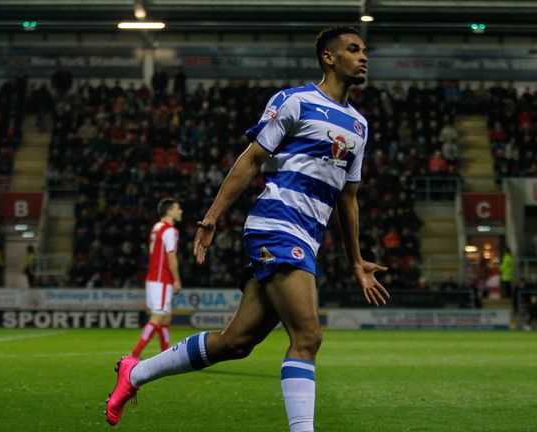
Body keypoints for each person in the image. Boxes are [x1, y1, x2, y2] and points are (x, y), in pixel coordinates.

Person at [106, 26, 390, 432]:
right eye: (353, 49)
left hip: (306, 237)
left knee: (236, 343)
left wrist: (357, 261)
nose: (363, 56)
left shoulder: (359, 126)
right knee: (308, 337)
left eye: (364, 50)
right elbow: (252, 158)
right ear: (329, 58)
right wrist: (211, 216)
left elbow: (348, 199)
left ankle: (134, 373)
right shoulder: (295, 101)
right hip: (277, 225)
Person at [130, 198, 183, 358]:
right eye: (177, 208)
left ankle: (165, 354)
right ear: (169, 211)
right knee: (159, 316)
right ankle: (135, 354)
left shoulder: (157, 227)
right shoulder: (169, 230)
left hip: (154, 278)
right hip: (161, 279)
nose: (180, 211)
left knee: (165, 318)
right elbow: (171, 256)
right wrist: (177, 279)